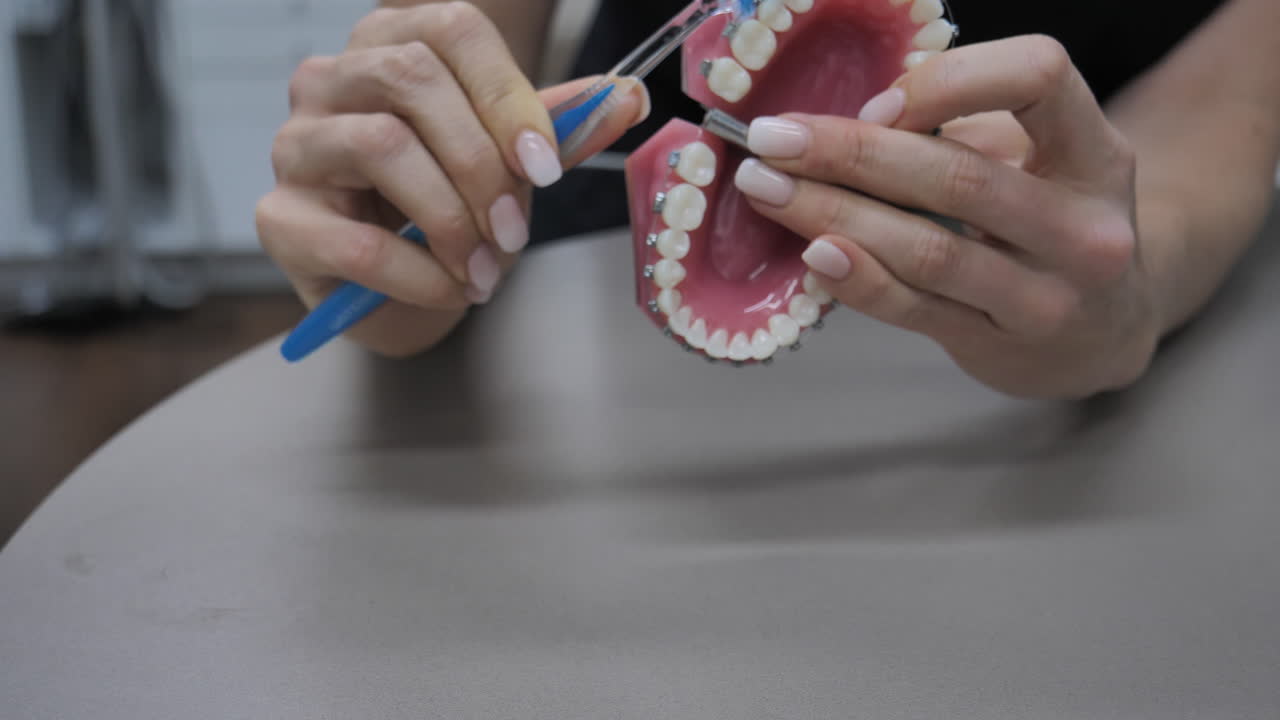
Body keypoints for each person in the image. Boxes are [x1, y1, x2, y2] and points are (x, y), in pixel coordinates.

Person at [255, 0, 1280, 399]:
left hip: (1035, 388)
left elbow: (1211, 119)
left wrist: (1126, 289)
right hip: (579, 316)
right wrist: (404, 204)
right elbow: (465, 37)